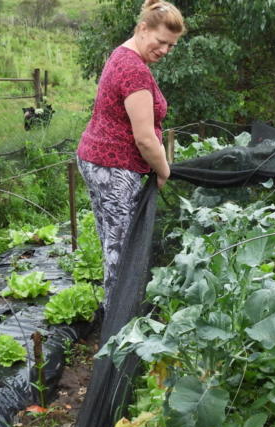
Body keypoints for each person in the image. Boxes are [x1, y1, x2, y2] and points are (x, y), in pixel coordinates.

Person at [76, 0, 184, 308]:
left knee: (113, 245)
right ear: (143, 28)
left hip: (97, 160)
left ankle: (114, 313)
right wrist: (163, 170)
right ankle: (120, 323)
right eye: (161, 41)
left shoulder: (122, 54)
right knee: (123, 254)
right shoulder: (134, 70)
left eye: (171, 45)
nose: (165, 50)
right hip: (114, 169)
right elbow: (145, 139)